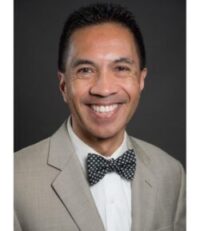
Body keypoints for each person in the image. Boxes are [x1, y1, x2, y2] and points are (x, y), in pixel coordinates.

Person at [14, 3, 185, 231]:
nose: (104, 89)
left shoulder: (172, 174)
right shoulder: (12, 179)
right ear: (64, 85)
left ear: (141, 79)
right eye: (85, 70)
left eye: (121, 68)